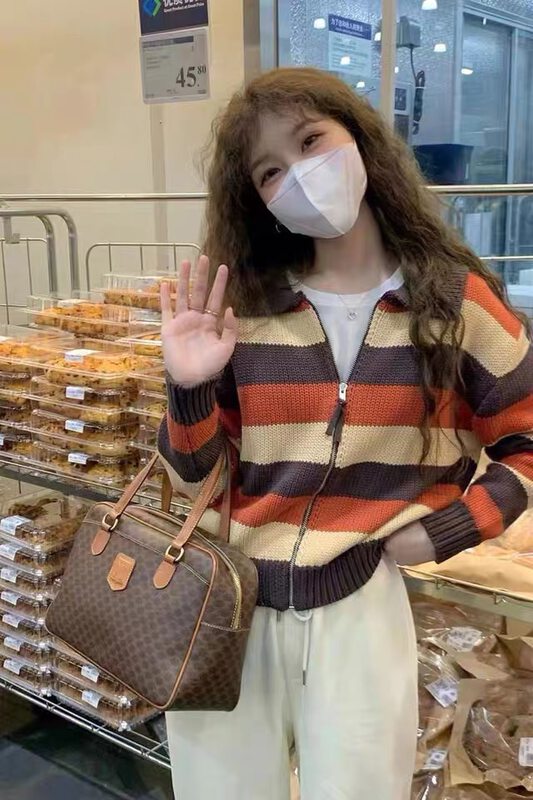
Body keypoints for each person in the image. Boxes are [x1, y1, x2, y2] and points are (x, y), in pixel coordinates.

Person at [158, 67, 533, 800]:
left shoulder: (453, 304)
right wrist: (188, 384)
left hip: (359, 607)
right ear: (256, 199)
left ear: (360, 139)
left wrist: (449, 529)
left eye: (310, 142)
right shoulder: (244, 309)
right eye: (270, 170)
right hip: (224, 607)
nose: (300, 175)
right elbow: (191, 476)